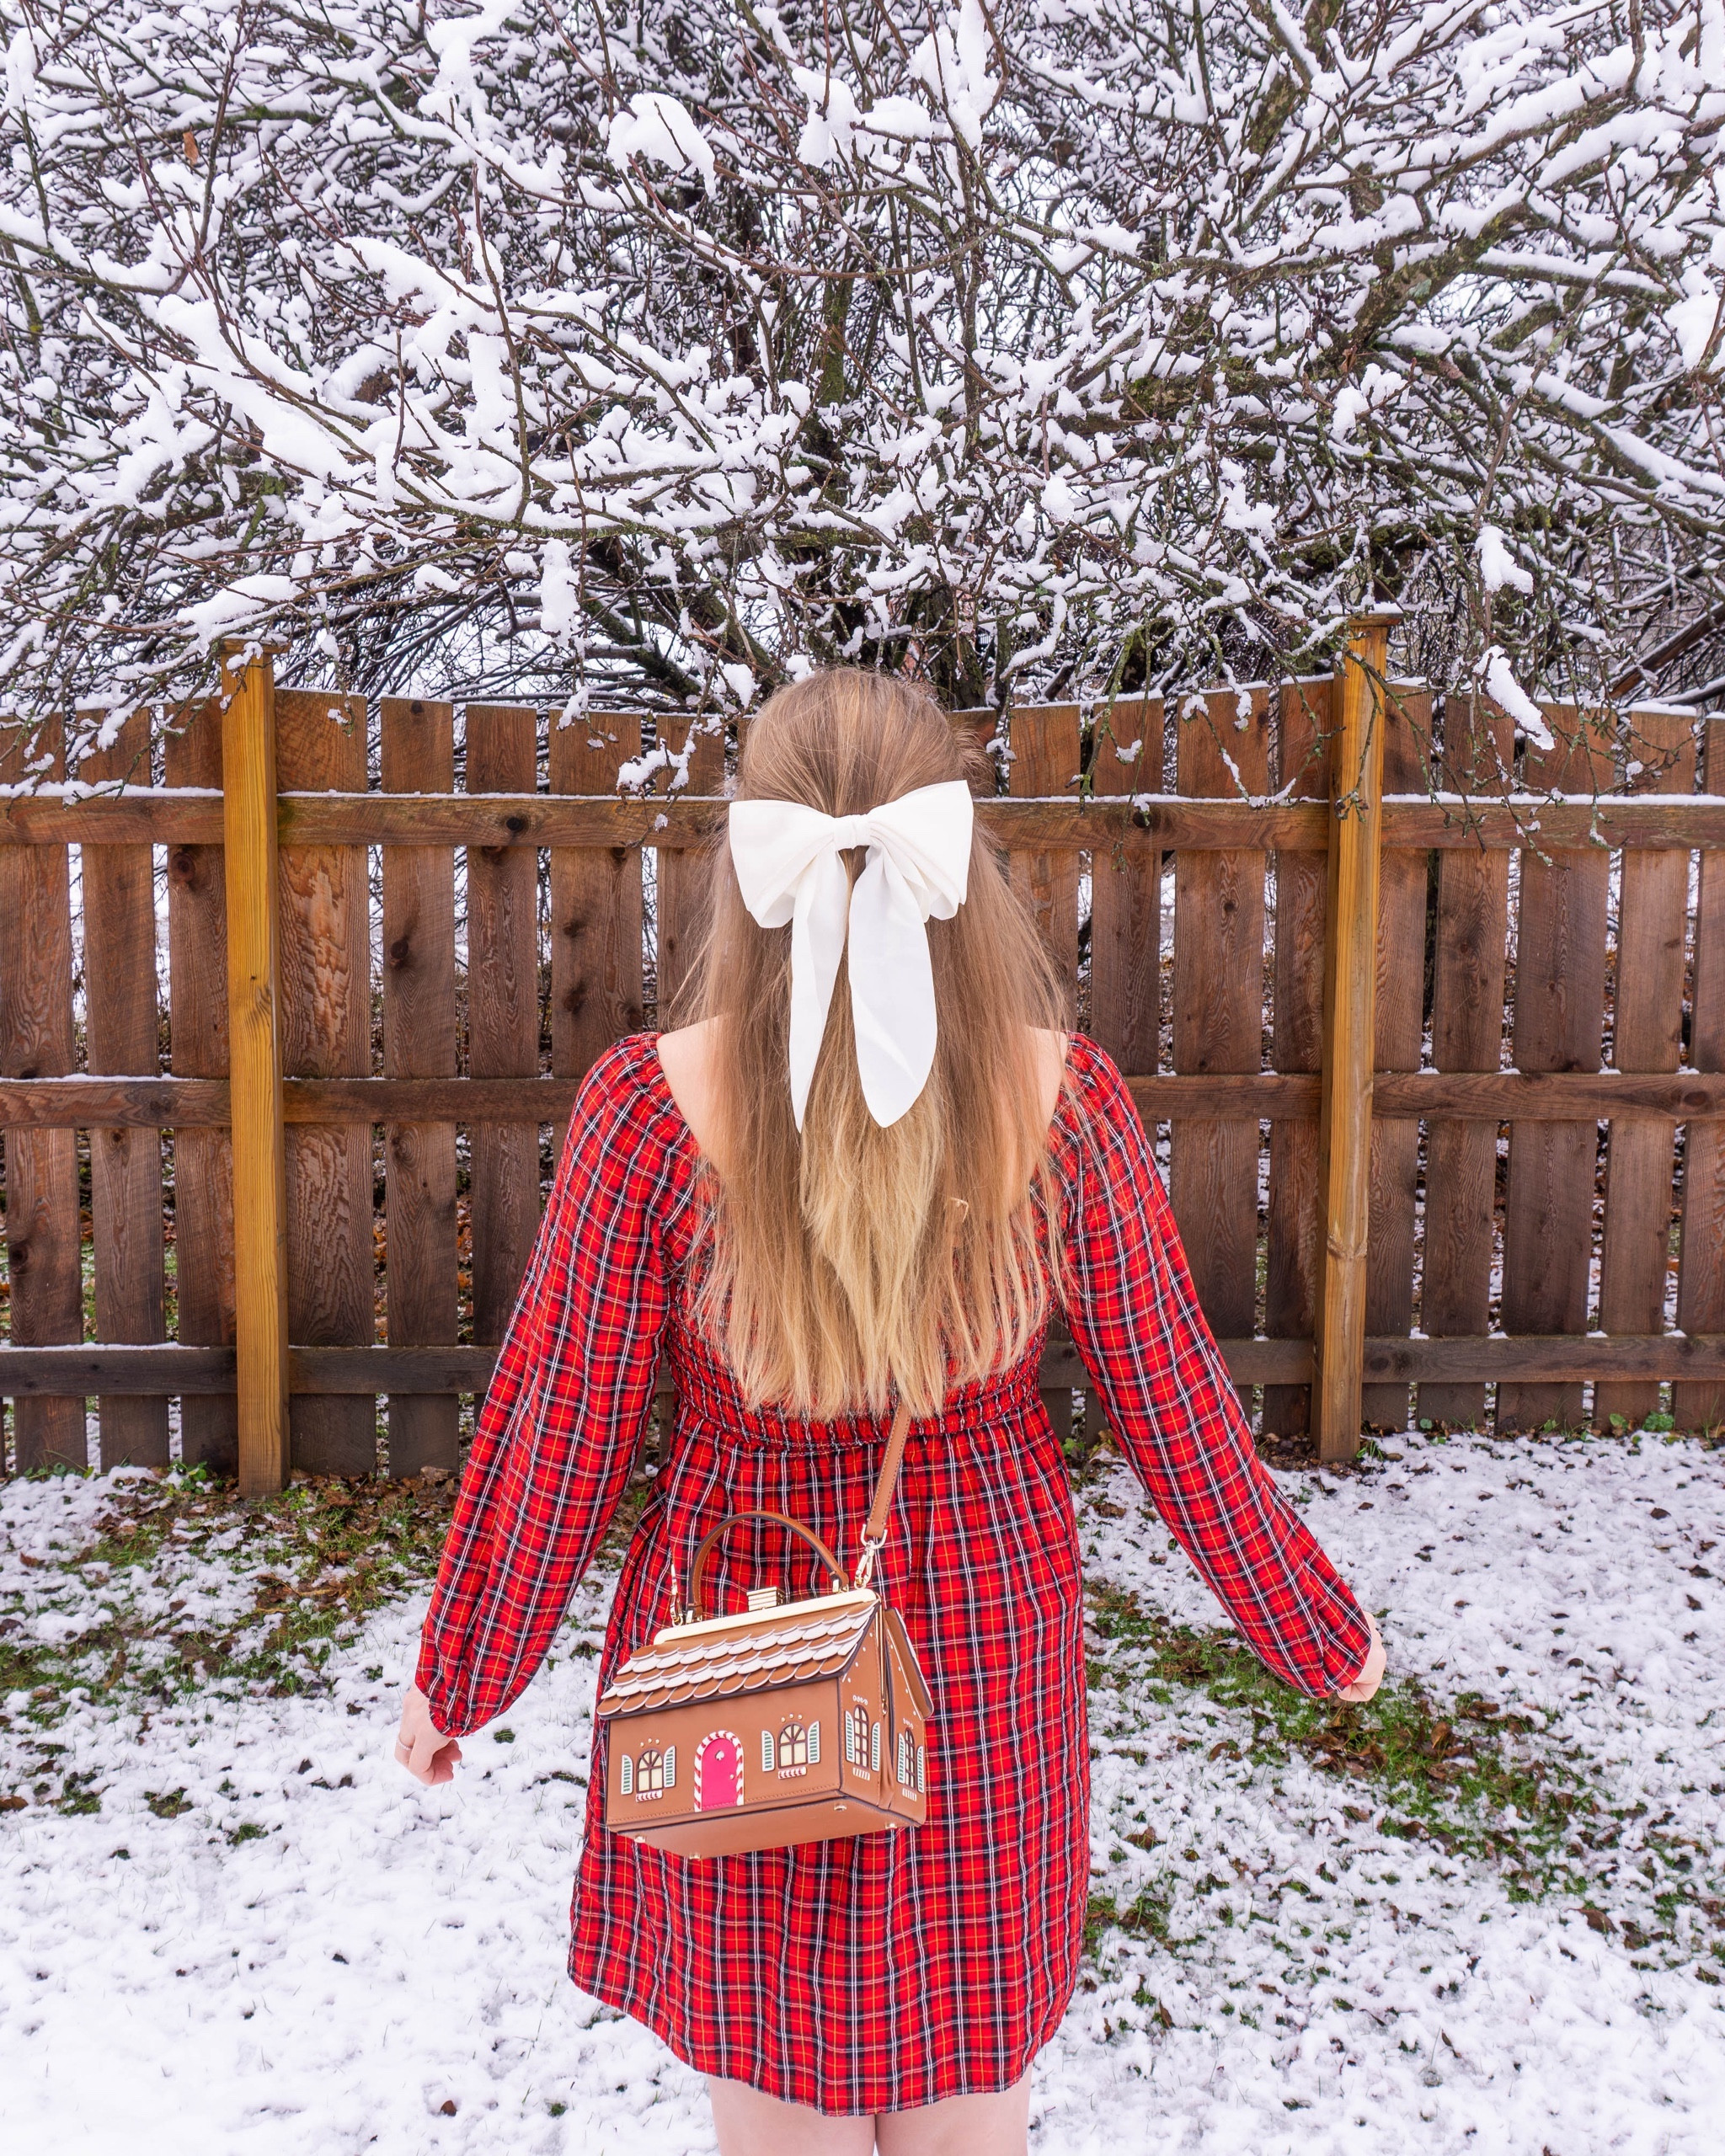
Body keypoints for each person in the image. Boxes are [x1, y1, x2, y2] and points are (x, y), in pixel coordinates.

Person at [394, 670, 1385, 2155]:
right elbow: (1178, 1410)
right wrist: (1315, 1625)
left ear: (750, 864)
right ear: (957, 865)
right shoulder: (1069, 1102)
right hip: (985, 1636)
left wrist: (459, 1671)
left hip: (738, 1637)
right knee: (971, 2085)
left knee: (776, 2099)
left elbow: (561, 1432)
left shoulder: (646, 1109)